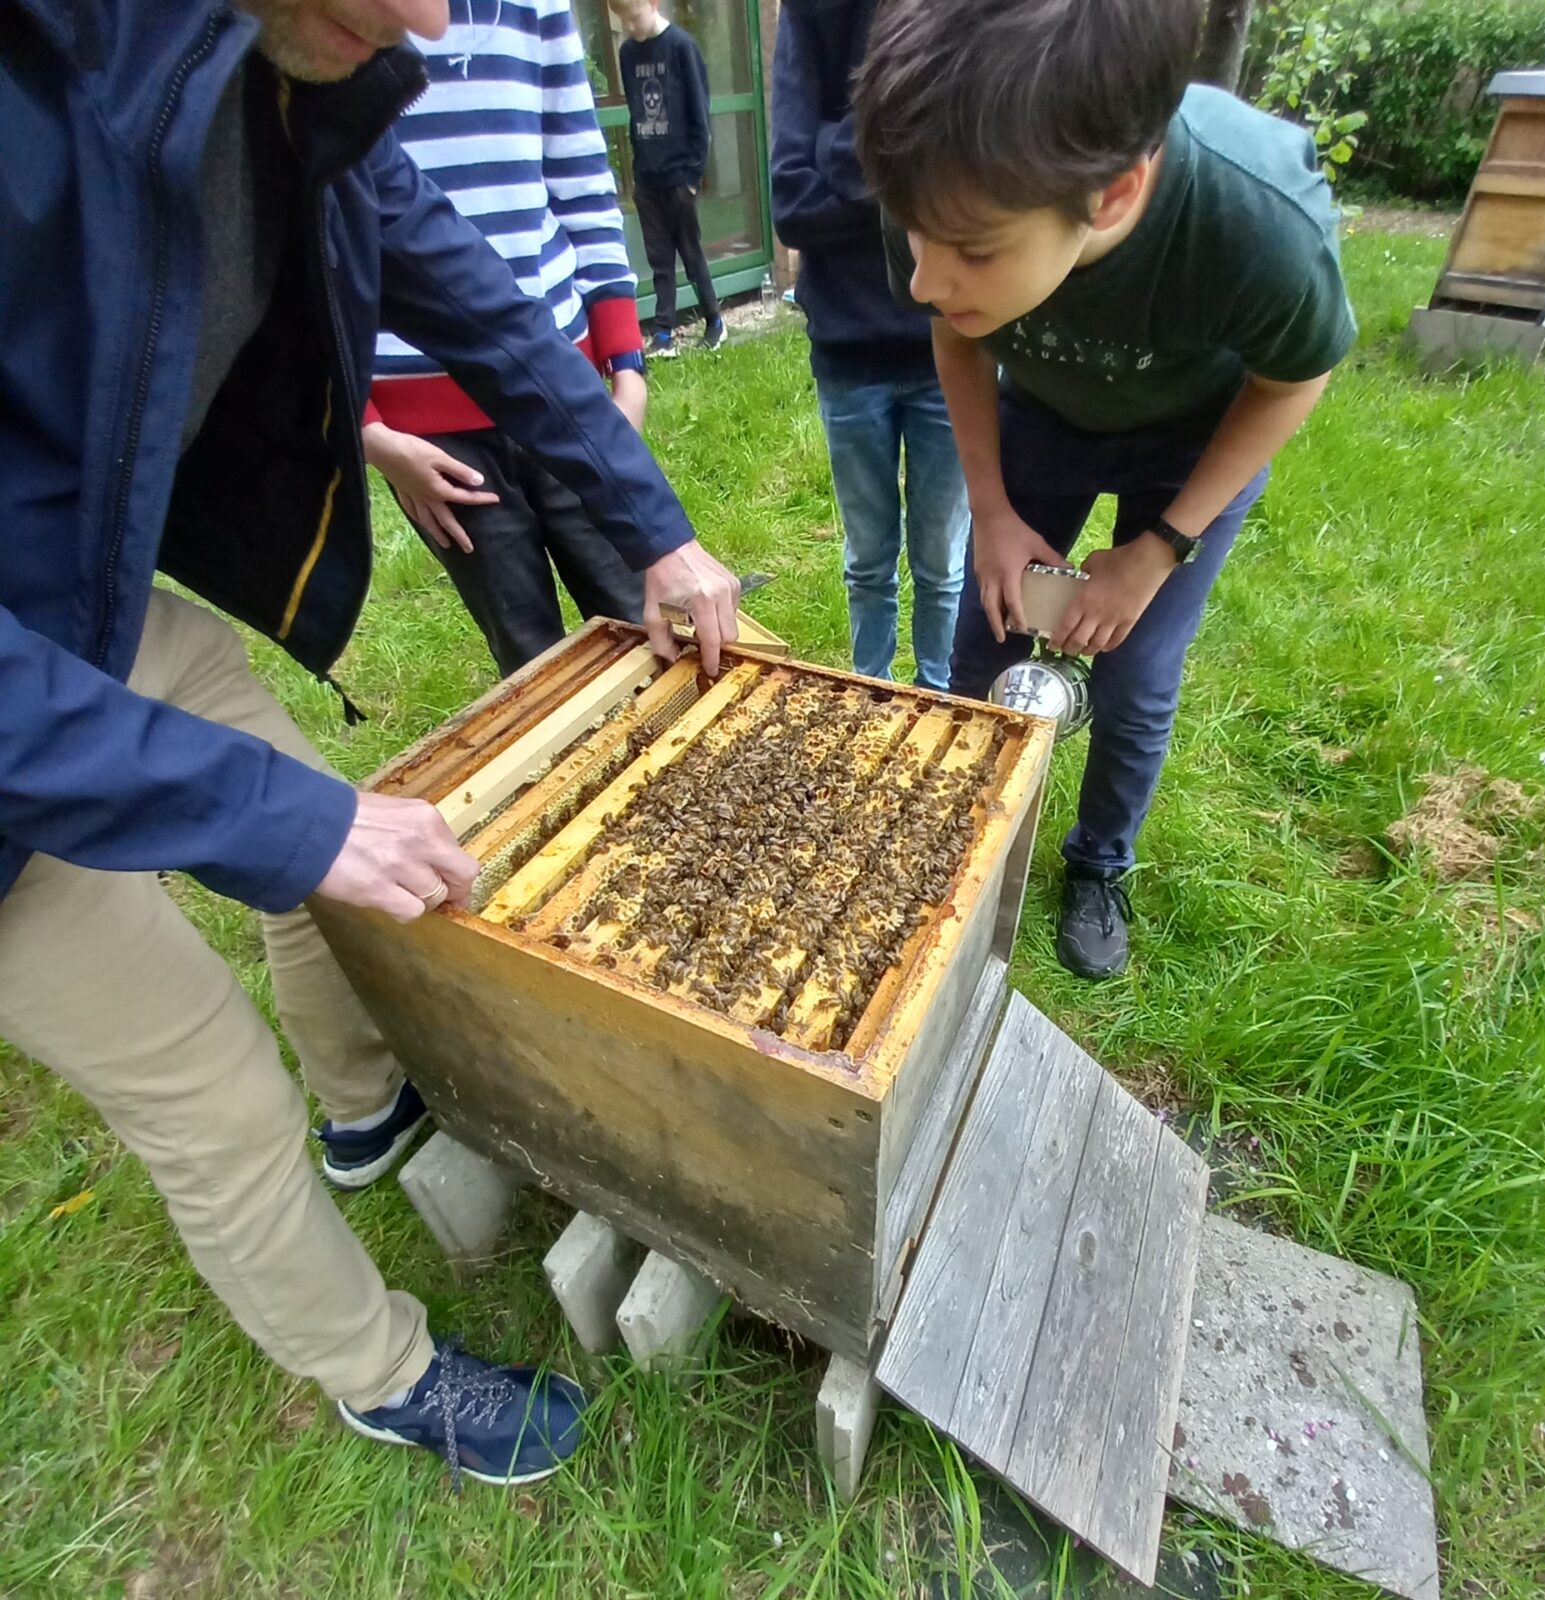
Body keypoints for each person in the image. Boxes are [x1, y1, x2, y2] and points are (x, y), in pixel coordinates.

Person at [0, 0, 741, 1489]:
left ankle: (367, 1108)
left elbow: (483, 309)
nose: (426, 22)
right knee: (213, 1094)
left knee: (318, 834)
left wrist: (651, 529)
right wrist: (280, 824)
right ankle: (382, 1373)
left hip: (76, 606)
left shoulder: (297, 73)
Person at [854, 0, 1356, 978]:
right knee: (986, 630)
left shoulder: (1256, 224)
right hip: (1042, 414)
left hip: (1194, 445)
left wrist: (1158, 549)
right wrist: (992, 510)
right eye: (914, 240)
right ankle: (962, 833)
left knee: (1134, 672)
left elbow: (1292, 380)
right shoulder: (939, 180)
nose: (920, 278)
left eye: (971, 252)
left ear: (1116, 194)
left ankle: (1098, 864)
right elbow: (954, 330)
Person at [364, 0, 653, 678]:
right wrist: (372, 432)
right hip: (429, 439)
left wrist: (627, 367)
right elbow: (300, 240)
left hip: (559, 383)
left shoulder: (538, 8)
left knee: (640, 613)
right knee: (533, 660)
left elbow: (584, 185)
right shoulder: (338, 22)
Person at [770, 0, 968, 692]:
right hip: (848, 352)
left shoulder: (958, 16)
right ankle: (871, 695)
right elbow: (791, 201)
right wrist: (901, 172)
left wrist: (835, 146)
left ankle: (941, 696)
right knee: (868, 557)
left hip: (952, 353)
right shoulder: (810, 14)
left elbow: (964, 172)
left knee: (943, 561)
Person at [609, 0, 725, 355]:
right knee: (659, 260)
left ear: (653, 4)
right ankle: (663, 334)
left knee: (691, 255)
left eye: (634, 18)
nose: (629, 27)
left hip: (680, 177)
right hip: (648, 179)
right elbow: (635, 113)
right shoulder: (628, 53)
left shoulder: (681, 47)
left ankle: (715, 322)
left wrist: (692, 176)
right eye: (623, 21)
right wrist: (638, 172)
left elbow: (700, 117)